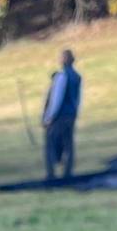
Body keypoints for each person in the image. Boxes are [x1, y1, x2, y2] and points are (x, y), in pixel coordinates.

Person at [41, 48, 81, 180]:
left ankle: (51, 174)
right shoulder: (77, 76)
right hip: (71, 115)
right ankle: (68, 172)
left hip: (60, 116)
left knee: (50, 144)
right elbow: (77, 98)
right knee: (69, 144)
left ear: (64, 60)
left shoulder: (62, 76)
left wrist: (48, 117)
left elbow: (56, 99)